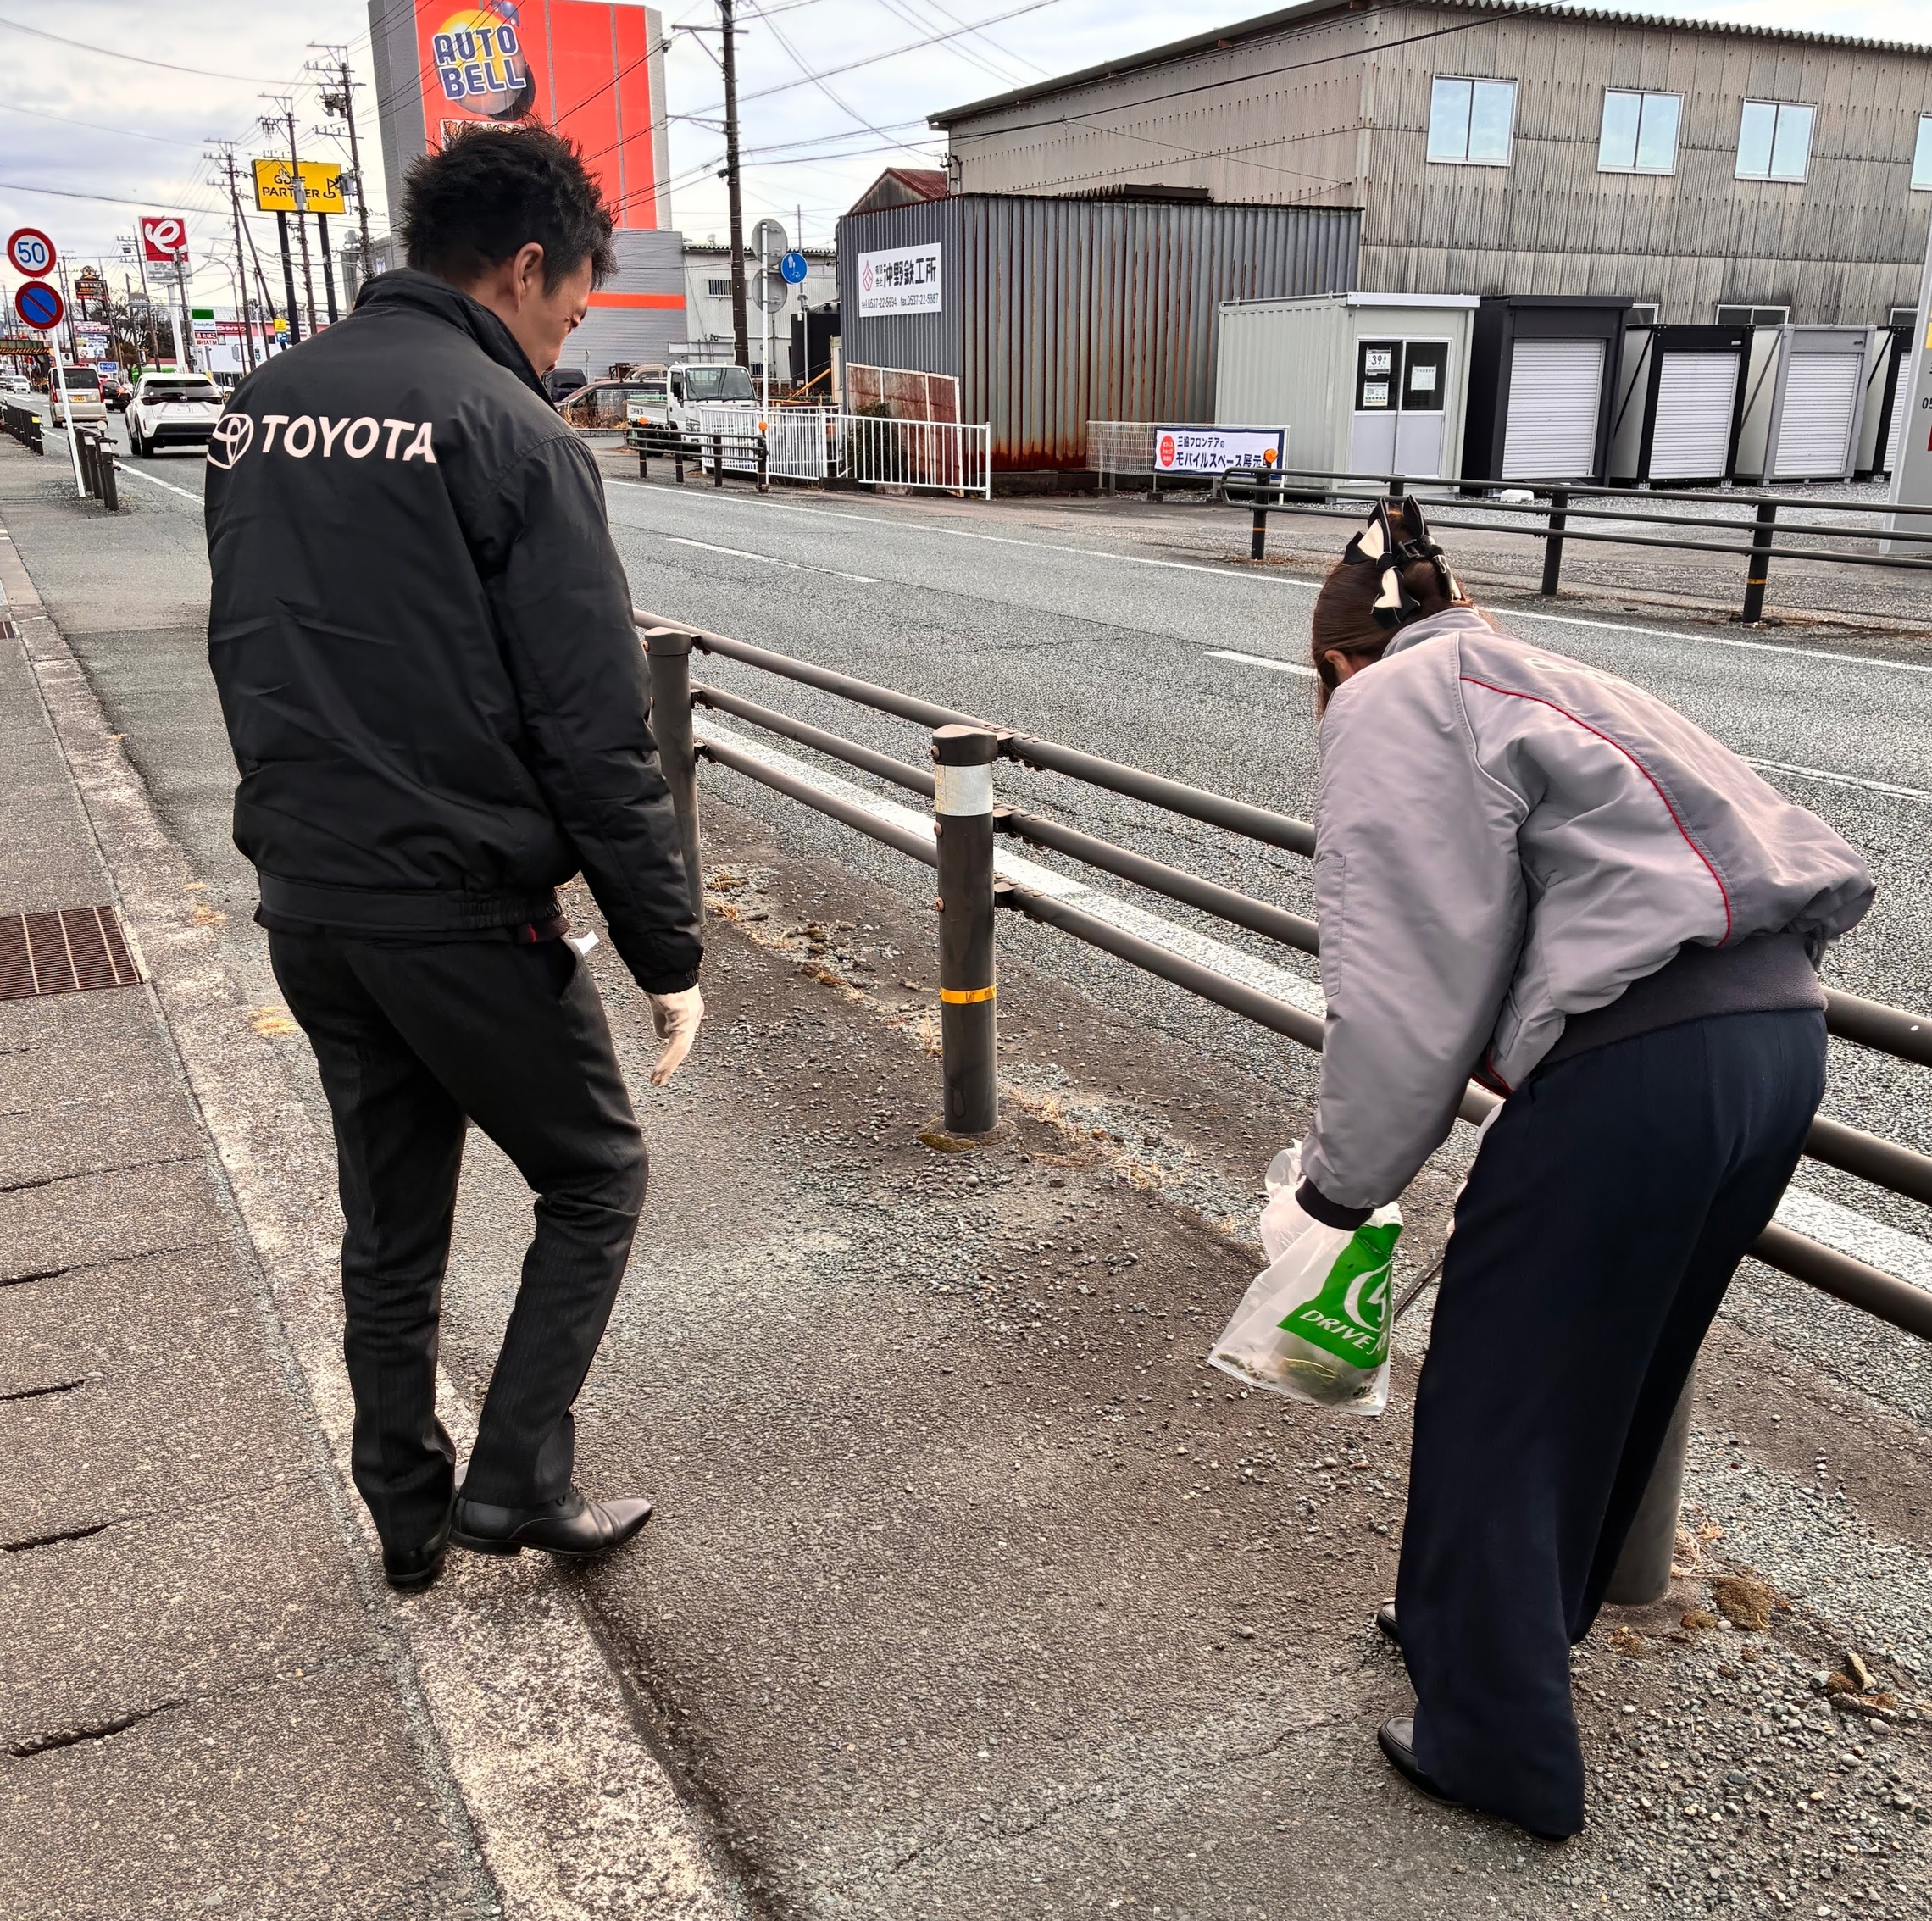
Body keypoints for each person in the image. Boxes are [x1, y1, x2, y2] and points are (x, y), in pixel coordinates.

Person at [1284, 499, 1873, 1840]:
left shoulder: (1391, 701)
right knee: (1610, 1367)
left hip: (1642, 1061)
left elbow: (1405, 975)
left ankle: (1499, 1748)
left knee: (1498, 1387)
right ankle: (1498, 1623)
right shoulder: (1536, 671)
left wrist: (1341, 1185)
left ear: (1334, 661)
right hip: (1777, 1043)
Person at [203, 126, 704, 1593]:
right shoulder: (510, 433)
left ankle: (405, 1508)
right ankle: (517, 1480)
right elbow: (594, 728)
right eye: (570, 312)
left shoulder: (261, 406)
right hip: (462, 901)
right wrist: (667, 951)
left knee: (390, 1214)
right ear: (526, 266)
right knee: (595, 1173)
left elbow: (255, 640)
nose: (565, 345)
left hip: (311, 894)